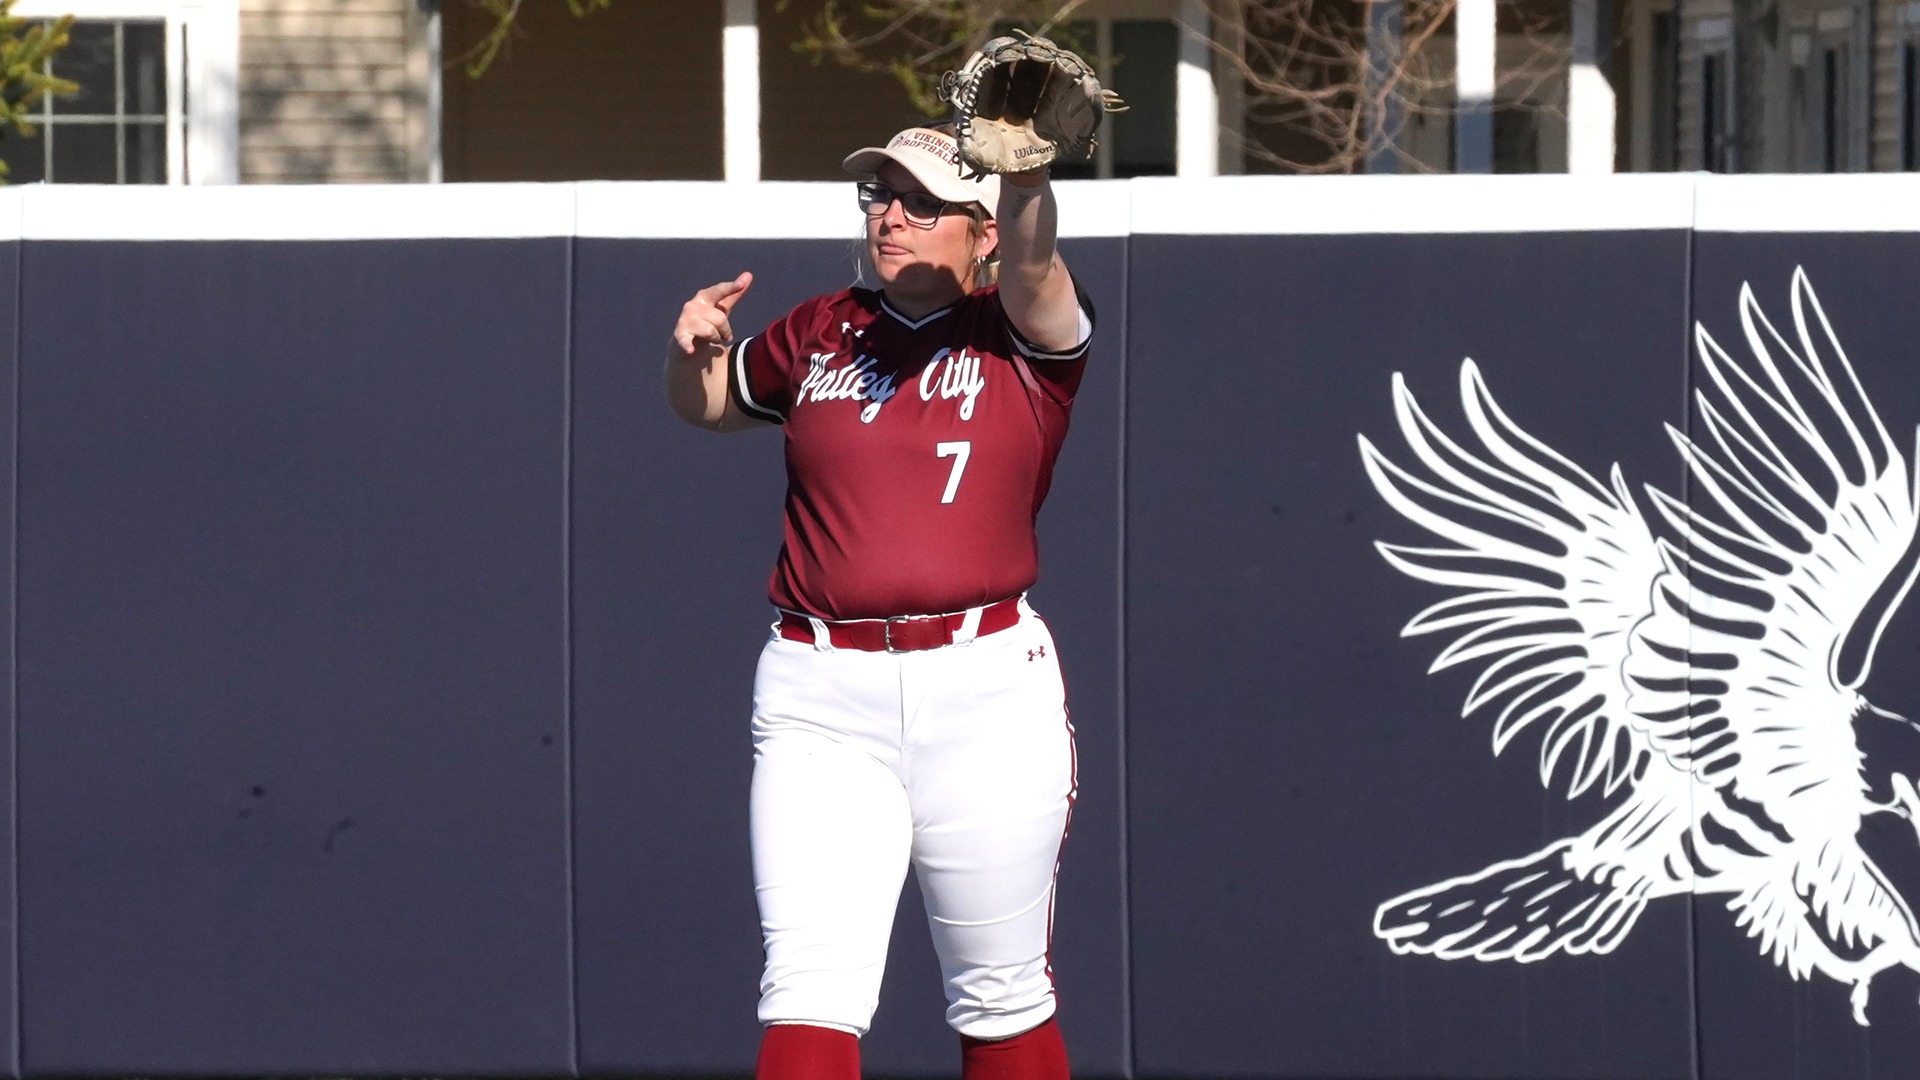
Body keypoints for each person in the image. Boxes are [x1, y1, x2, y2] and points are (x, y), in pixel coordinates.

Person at [664, 123, 1094, 1080]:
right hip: (821, 692)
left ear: (981, 230)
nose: (891, 213)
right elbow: (711, 405)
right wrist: (690, 355)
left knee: (1001, 995)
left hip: (985, 688)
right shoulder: (821, 326)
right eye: (880, 194)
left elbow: (1034, 262)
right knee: (808, 991)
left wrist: (1024, 179)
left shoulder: (1022, 333)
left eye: (923, 200)